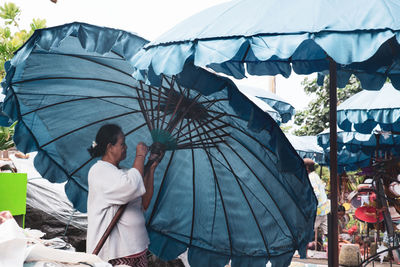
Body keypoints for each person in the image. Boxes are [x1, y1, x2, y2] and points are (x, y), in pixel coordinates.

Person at [86, 124, 162, 267]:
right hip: (118, 252)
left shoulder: (125, 173)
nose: (126, 147)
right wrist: (140, 156)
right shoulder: (99, 171)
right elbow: (131, 186)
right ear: (110, 147)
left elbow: (145, 201)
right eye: (122, 143)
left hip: (138, 249)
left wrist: (151, 167)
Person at [304, 158, 330, 250]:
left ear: (307, 168)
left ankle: (304, 252)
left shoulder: (311, 177)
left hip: (318, 209)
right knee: (327, 232)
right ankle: (332, 251)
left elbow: (316, 193)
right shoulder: (315, 176)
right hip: (324, 208)